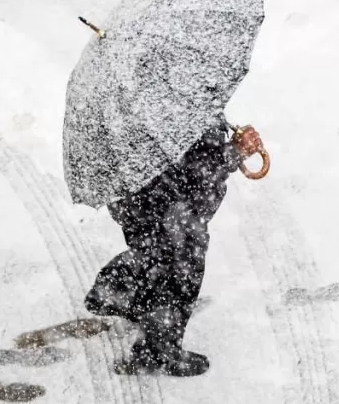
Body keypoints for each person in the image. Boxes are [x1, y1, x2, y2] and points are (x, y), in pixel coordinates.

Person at [84, 116, 264, 376]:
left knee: (153, 251)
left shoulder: (136, 102)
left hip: (134, 198)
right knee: (183, 269)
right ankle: (158, 351)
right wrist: (234, 152)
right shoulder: (182, 100)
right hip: (169, 206)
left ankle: (115, 289)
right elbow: (195, 173)